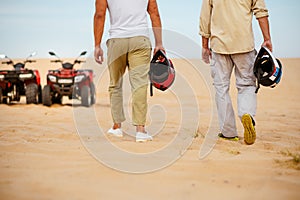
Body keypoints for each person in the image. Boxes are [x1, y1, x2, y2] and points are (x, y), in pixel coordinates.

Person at [199, 0, 272, 145]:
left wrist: (205, 46)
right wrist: (267, 39)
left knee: (221, 88)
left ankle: (228, 132)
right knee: (246, 85)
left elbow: (205, 17)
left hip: (219, 45)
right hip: (244, 44)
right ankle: (246, 113)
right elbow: (261, 12)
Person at [93, 0, 164, 142]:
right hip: (140, 39)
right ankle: (140, 130)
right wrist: (159, 43)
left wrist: (97, 45)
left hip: (116, 41)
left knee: (115, 84)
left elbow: (100, 15)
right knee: (139, 85)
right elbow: (154, 13)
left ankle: (116, 127)